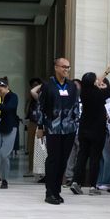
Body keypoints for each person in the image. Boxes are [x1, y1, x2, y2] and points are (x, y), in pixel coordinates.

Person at [37, 58, 80, 205]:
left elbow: (76, 106)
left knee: (63, 160)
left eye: (68, 67)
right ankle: (50, 192)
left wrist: (75, 123)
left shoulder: (72, 86)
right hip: (53, 128)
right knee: (53, 160)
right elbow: (40, 108)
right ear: (56, 67)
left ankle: (57, 191)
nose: (66, 70)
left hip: (69, 129)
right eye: (63, 67)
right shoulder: (48, 86)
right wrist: (40, 127)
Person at [70, 70, 110, 196]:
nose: (98, 81)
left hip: (84, 129)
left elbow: (96, 81)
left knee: (82, 156)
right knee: (95, 158)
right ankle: (92, 186)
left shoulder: (83, 92)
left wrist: (105, 72)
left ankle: (76, 182)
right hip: (97, 130)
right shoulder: (100, 94)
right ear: (93, 82)